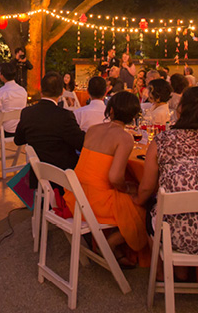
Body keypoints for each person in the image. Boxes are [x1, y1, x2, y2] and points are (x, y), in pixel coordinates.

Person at [134, 86, 198, 255]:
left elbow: (147, 187)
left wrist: (137, 201)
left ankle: (162, 273)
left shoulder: (163, 141)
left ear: (181, 108)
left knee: (148, 207)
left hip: (173, 235)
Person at [64, 92, 147, 267]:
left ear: (110, 110)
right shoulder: (124, 138)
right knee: (141, 209)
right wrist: (127, 189)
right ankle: (109, 245)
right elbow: (115, 177)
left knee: (131, 197)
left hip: (75, 195)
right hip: (96, 201)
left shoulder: (93, 129)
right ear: (133, 116)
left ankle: (112, 250)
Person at [14, 72, 85, 187]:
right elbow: (81, 143)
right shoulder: (64, 116)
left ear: (41, 90)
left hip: (38, 174)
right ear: (62, 92)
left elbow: (18, 140)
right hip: (63, 177)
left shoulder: (27, 112)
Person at [0, 61, 27, 138]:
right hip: (20, 128)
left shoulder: (0, 92)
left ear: (2, 75)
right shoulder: (22, 90)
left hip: (5, 129)